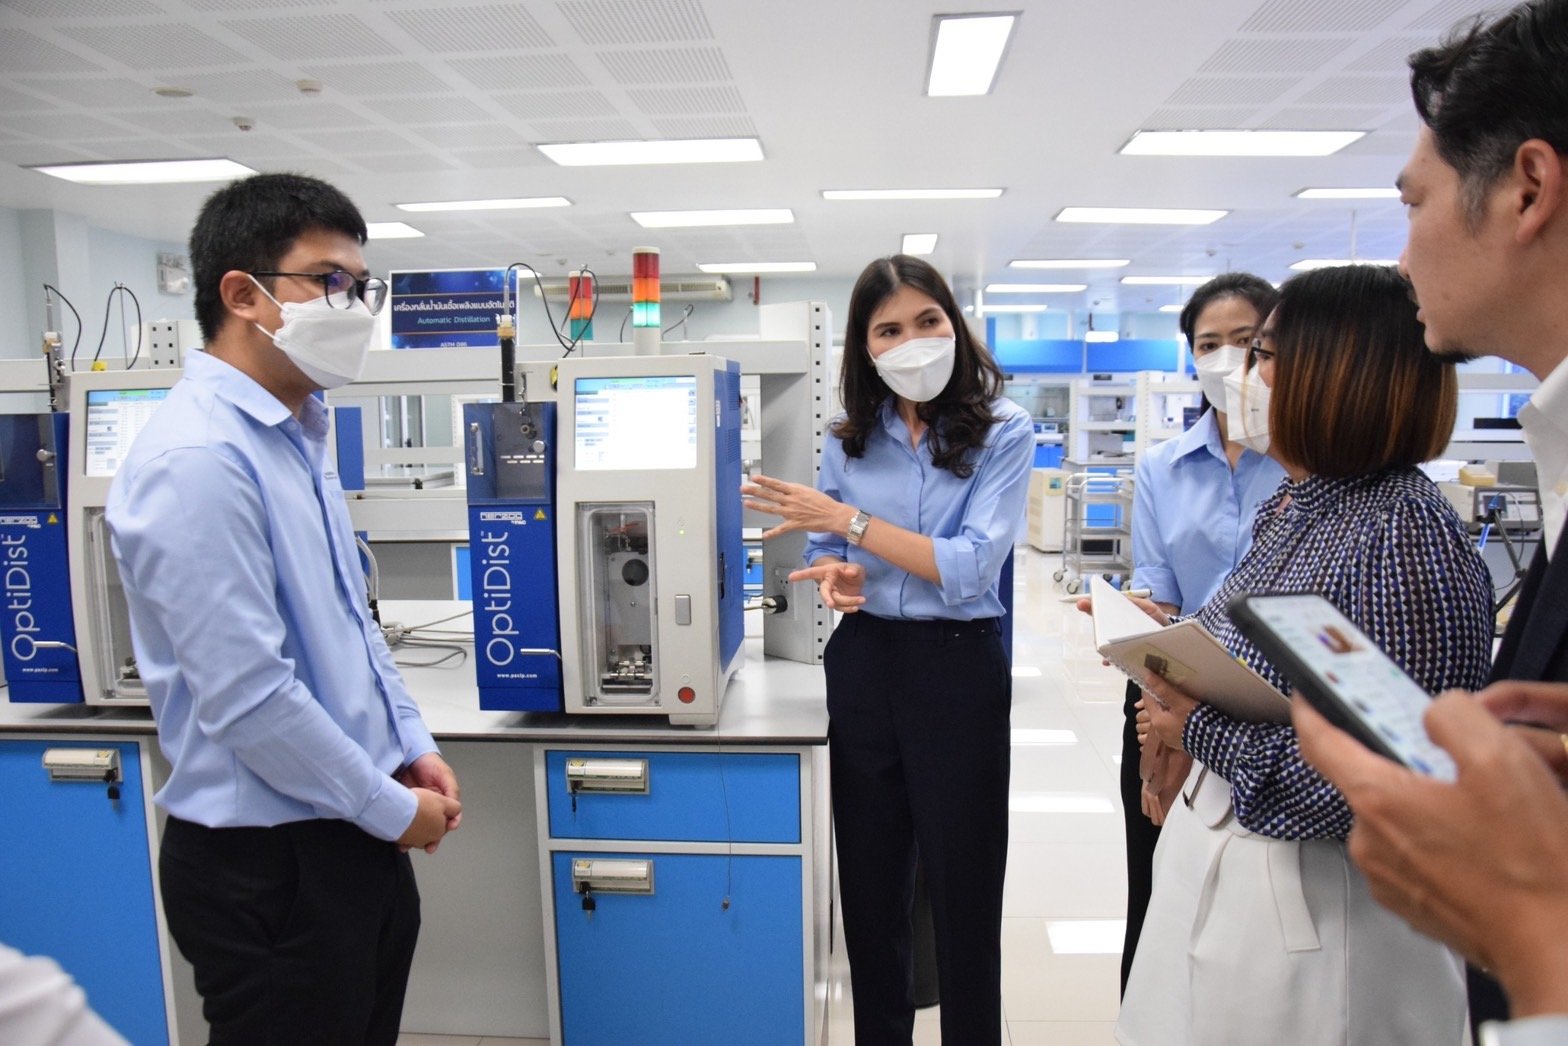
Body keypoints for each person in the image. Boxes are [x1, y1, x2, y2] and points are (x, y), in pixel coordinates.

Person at [107, 172, 462, 1044]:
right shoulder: (199, 460)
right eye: (331, 281)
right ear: (243, 295)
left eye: (363, 286)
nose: (356, 308)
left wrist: (410, 745)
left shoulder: (296, 433)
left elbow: (350, 624)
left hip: (350, 829)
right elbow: (249, 697)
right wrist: (391, 810)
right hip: (269, 863)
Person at [1115, 264, 1494, 1046]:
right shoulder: (1302, 508)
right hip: (1232, 878)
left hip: (1326, 922)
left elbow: (1387, 775)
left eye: (1262, 354)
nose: (1242, 379)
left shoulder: (1401, 535)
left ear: (1336, 372)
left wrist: (1198, 729)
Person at [1291, 1, 1568, 1040]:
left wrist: (1532, 930)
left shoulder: (1402, 524)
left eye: (1414, 202)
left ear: (1526, 189)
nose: (1402, 259)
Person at [741, 254, 1033, 1045]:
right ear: (865, 347)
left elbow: (971, 569)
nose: (913, 341)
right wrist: (840, 574)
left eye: (928, 321)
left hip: (958, 666)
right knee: (870, 892)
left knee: (964, 889)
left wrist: (849, 524)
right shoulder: (851, 439)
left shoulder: (1004, 431)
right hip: (867, 660)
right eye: (889, 329)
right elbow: (845, 557)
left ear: (954, 325)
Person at [1118, 272, 1285, 991]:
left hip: (1270, 704)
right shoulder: (1164, 467)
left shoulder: (1308, 464)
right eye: (1208, 345)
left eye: (1246, 341)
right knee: (1157, 884)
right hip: (1171, 688)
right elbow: (1157, 590)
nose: (1227, 359)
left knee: (1255, 900)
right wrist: (1137, 624)